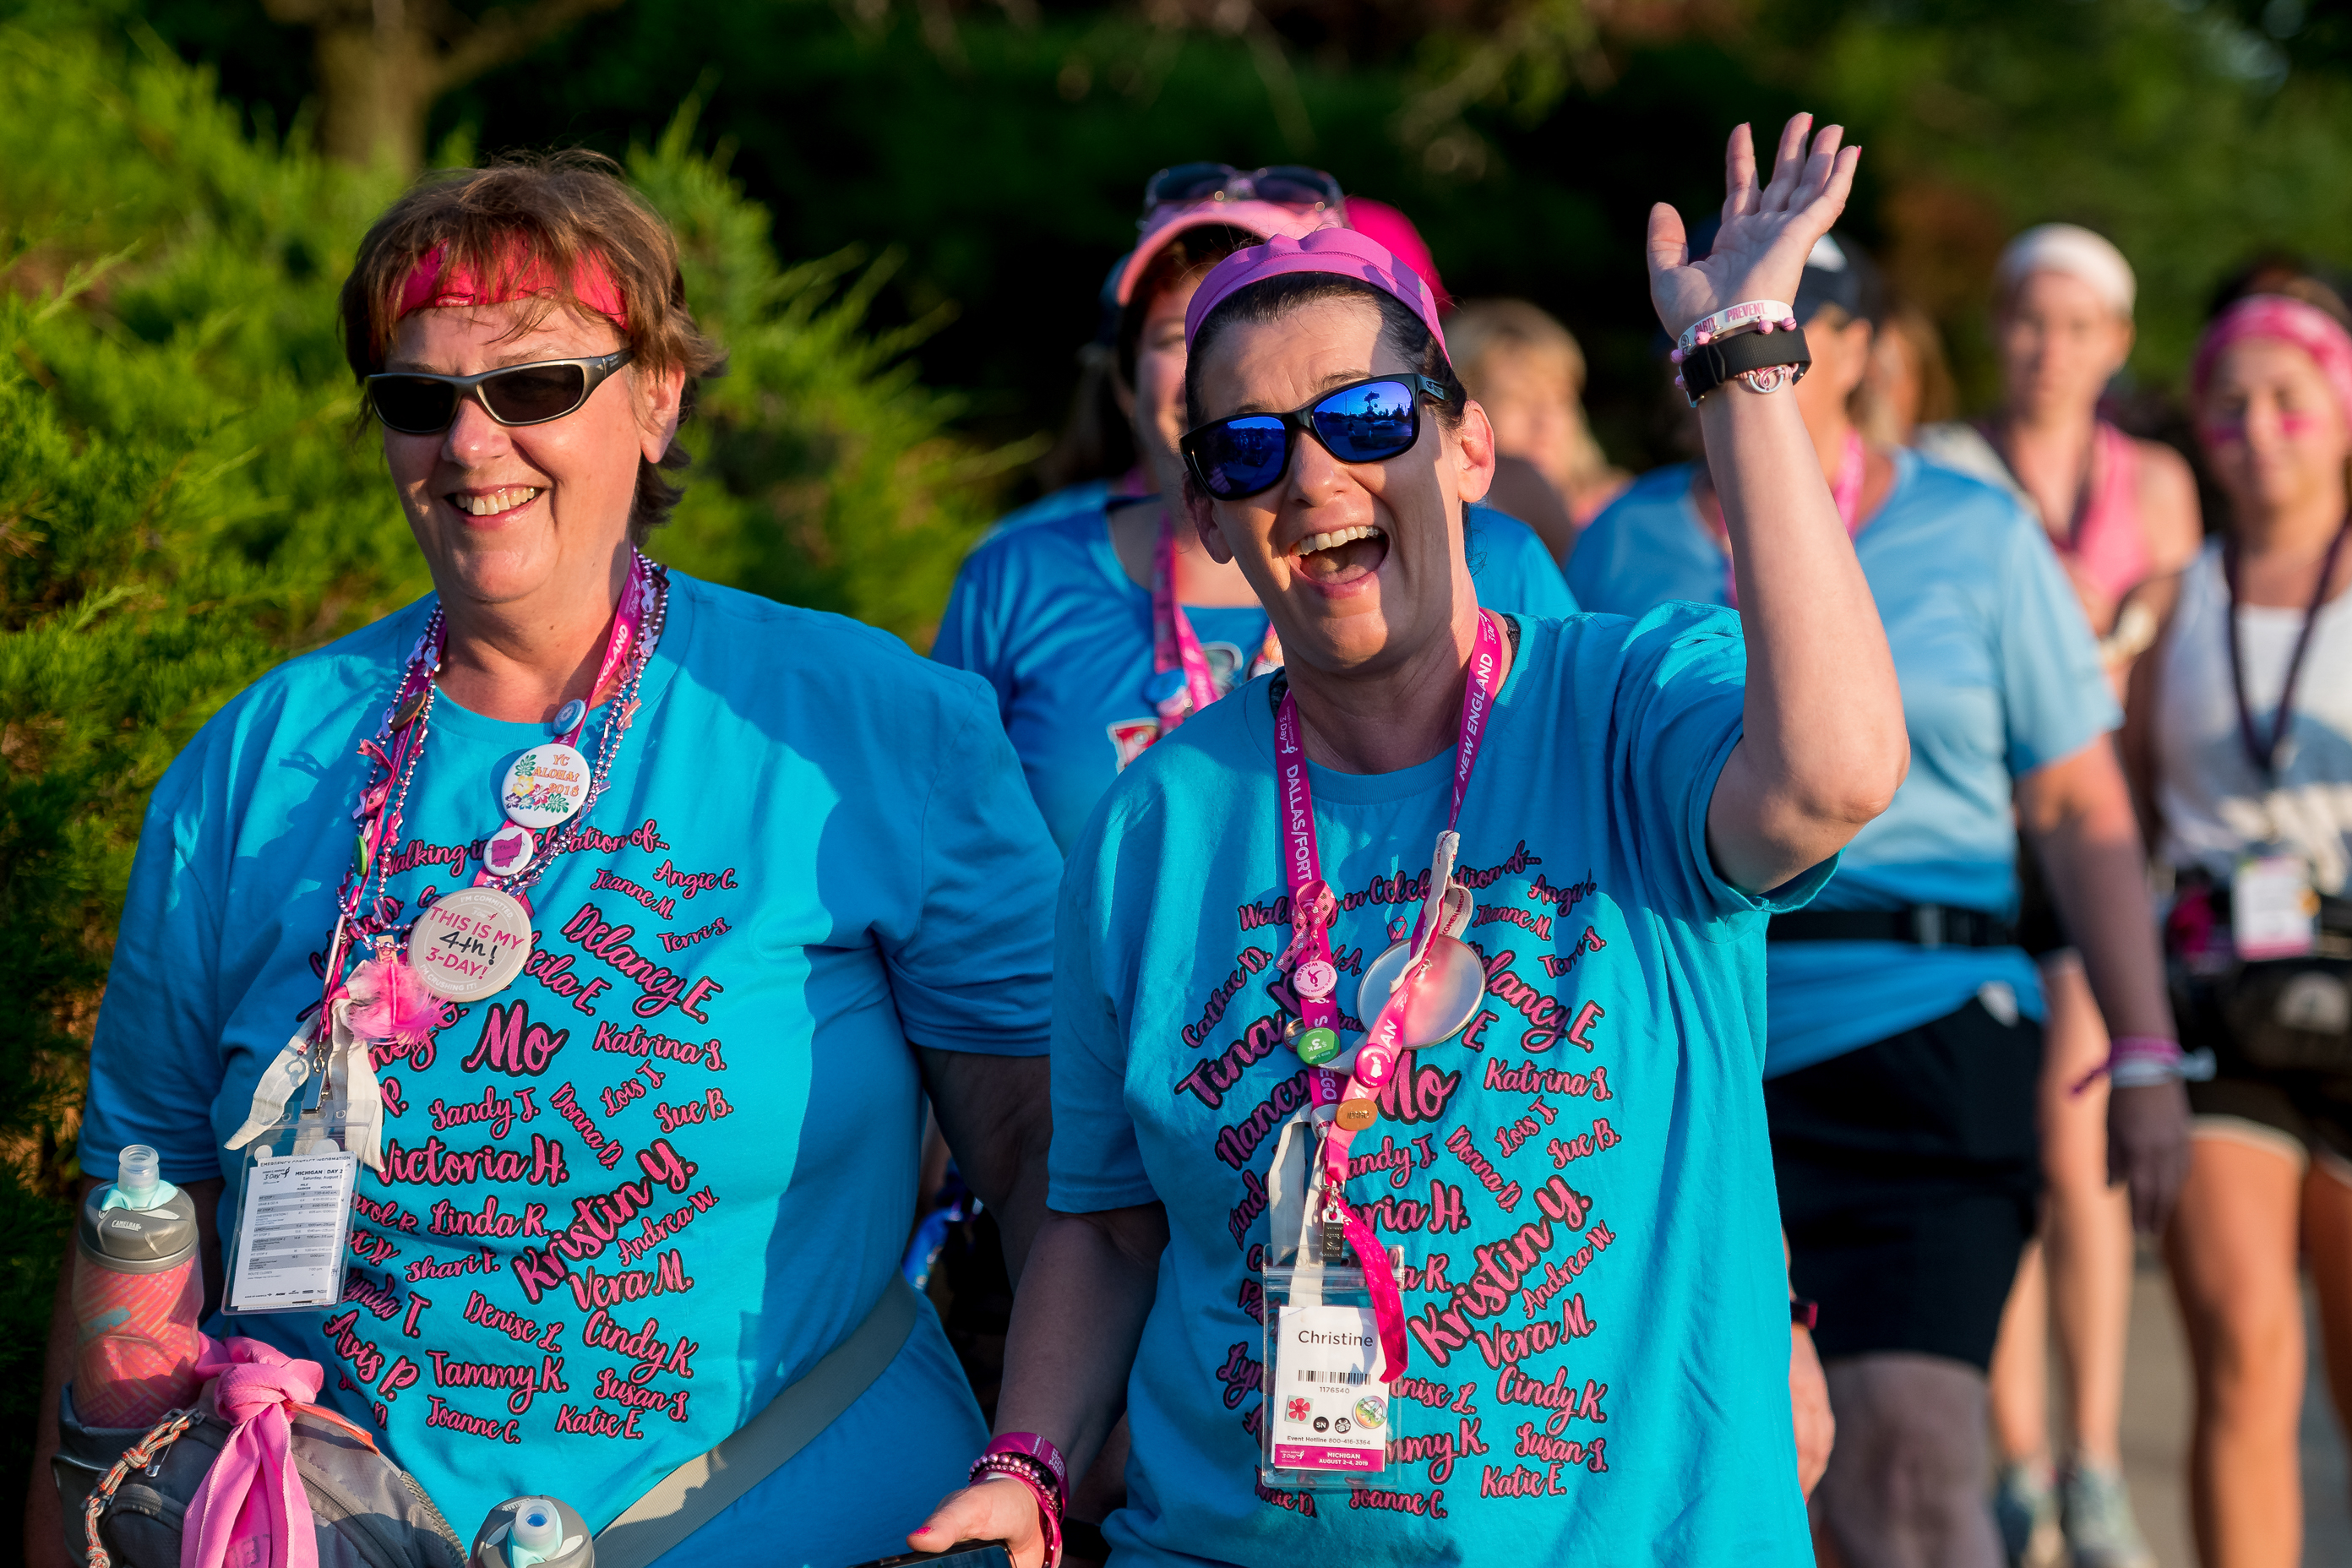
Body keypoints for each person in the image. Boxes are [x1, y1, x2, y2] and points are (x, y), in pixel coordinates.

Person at [24, 151, 1062, 1568]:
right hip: (333, 1534)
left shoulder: (872, 728)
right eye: (418, 400)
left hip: (806, 1526)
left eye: (533, 386)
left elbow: (1049, 1164)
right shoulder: (258, 762)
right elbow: (143, 1205)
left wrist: (1047, 1463)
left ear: (658, 395)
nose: (470, 443)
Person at [906, 112, 1907, 1565]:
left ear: (1470, 449)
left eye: (1367, 418)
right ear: (1213, 515)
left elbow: (1832, 777)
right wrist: (1029, 1459)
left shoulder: (1630, 705)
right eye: (1248, 449)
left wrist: (1742, 361)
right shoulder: (1154, 822)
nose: (1312, 478)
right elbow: (1107, 1223)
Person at [1570, 230, 2193, 1568]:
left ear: (1856, 350)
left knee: (1907, 1460)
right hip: (1696, 1047)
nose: (1758, 345)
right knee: (1746, 1476)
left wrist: (2144, 1050)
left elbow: (2078, 807)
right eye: (1723, 326)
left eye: (1796, 323)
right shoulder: (1621, 543)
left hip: (1923, 1022)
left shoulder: (1976, 533)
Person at [936, 172, 1576, 853]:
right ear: (1122, 380)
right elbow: (943, 838)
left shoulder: (1498, 564)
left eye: (1358, 411)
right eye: (1174, 337)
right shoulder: (1019, 579)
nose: (1313, 478)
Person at [1908, 226, 2202, 1568]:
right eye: (2030, 319)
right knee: (2012, 1153)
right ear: (1999, 327)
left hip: (2093, 846)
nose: (2050, 347)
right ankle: (2018, 1459)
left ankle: (2094, 1459)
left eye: (2080, 325)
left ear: (2117, 344)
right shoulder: (1944, 468)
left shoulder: (2160, 484)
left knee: (2080, 1152)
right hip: (1978, 850)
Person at [2121, 286, 2352, 1568]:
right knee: (2248, 1355)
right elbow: (2121, 823)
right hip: (2219, 997)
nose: (2258, 429)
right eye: (2230, 405)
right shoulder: (2176, 599)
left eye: (2288, 403)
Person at [1449, 298, 1631, 553]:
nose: (1546, 421)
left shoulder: (1621, 511)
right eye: (1518, 398)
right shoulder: (1456, 524)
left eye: (1560, 399)